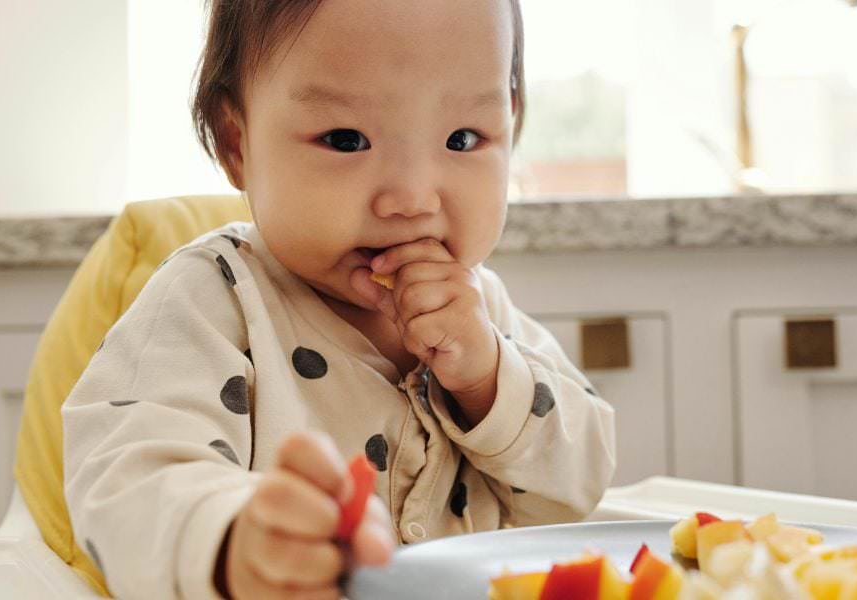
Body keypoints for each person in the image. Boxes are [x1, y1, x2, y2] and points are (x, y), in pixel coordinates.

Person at [62, 0, 617, 598]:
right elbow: (126, 481)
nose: (412, 198)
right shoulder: (213, 300)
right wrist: (233, 544)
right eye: (346, 139)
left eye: (463, 138)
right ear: (237, 142)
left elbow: (578, 488)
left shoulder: (484, 313)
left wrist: (487, 382)